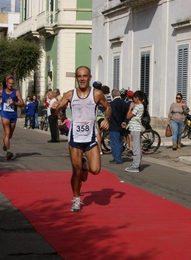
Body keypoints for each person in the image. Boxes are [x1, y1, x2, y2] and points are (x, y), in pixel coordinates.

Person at [51, 66, 111, 212]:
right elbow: (56, 112)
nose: (82, 79)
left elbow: (108, 108)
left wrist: (106, 119)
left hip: (90, 136)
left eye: (85, 76)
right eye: (79, 76)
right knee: (76, 172)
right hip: (75, 138)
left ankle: (85, 166)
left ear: (89, 77)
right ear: (76, 78)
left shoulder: (97, 94)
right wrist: (54, 108)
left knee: (95, 170)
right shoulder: (70, 95)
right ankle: (76, 199)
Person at [1, 74, 24, 160]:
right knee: (7, 132)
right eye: (9, 83)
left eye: (12, 83)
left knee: (10, 135)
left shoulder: (16, 92)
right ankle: (8, 151)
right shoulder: (1, 92)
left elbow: (22, 104)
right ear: (6, 83)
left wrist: (14, 103)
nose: (11, 85)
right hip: (4, 114)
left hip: (13, 115)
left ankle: (5, 144)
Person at [125, 90, 145, 173]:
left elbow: (128, 116)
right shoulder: (139, 106)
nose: (133, 100)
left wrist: (130, 108)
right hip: (134, 128)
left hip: (135, 128)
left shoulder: (138, 106)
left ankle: (136, 165)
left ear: (137, 98)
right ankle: (135, 164)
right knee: (136, 146)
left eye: (134, 98)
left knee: (136, 148)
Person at [108, 89, 128, 164]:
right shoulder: (124, 103)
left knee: (114, 143)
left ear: (112, 95)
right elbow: (127, 114)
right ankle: (117, 157)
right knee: (120, 142)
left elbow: (115, 114)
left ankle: (117, 158)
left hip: (115, 125)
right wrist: (124, 122)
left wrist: (120, 123)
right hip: (122, 126)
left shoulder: (113, 103)